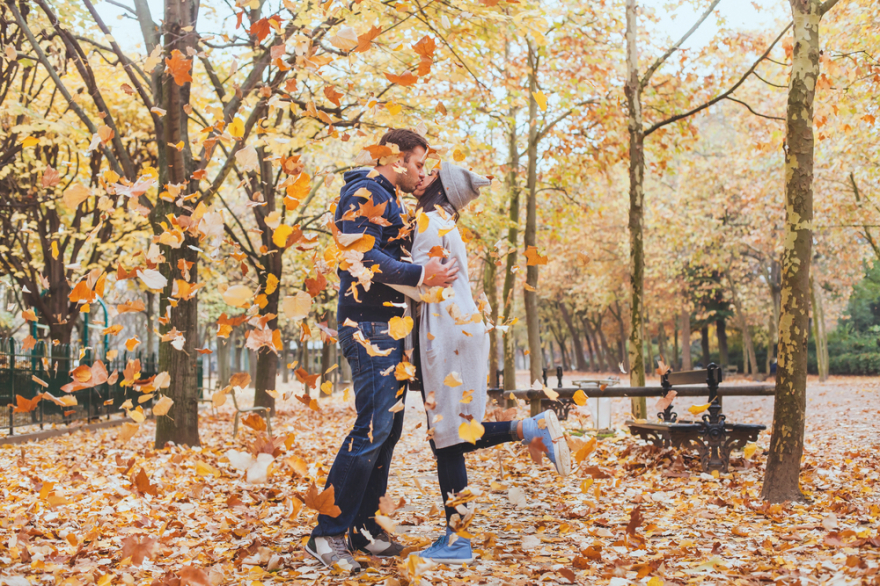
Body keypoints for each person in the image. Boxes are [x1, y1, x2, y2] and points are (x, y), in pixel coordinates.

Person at [393, 162, 572, 565]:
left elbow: (425, 286)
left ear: (442, 187)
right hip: (460, 329)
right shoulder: (442, 221)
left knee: (448, 439)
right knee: (453, 435)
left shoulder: (429, 220)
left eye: (430, 173)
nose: (421, 175)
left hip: (447, 332)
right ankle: (525, 428)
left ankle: (458, 541)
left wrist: (376, 270)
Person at [305, 129, 459, 574]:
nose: (421, 172)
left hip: (391, 326)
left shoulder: (389, 198)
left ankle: (363, 528)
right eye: (416, 164)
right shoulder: (363, 191)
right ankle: (327, 534)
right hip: (367, 325)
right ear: (393, 158)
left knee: (387, 430)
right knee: (372, 427)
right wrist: (419, 273)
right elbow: (360, 257)